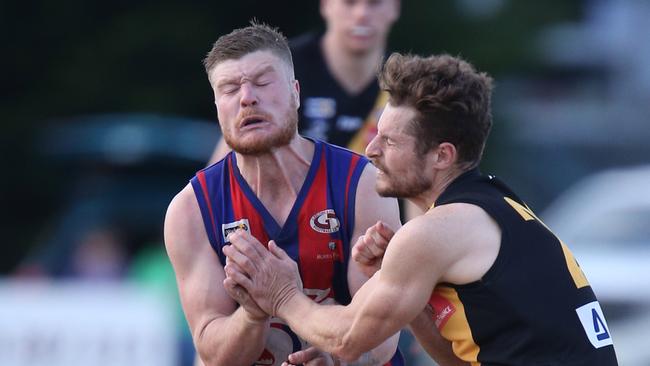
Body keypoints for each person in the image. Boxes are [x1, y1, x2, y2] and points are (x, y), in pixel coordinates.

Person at [222, 53, 619, 365]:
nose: (371, 149)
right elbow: (459, 359)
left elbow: (346, 339)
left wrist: (283, 294)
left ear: (441, 156)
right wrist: (413, 291)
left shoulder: (436, 231)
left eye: (390, 142)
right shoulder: (498, 206)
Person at [164, 23, 424, 366]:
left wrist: (336, 359)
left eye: (262, 82)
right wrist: (254, 312)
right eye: (229, 89)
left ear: (296, 92)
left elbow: (381, 333)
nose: (247, 98)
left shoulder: (361, 183)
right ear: (217, 107)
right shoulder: (191, 209)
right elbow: (213, 354)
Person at [208, 0, 400, 163]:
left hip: (373, 205)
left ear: (395, 7)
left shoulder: (407, 84)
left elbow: (418, 189)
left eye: (375, 3)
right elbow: (220, 178)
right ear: (326, 4)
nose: (361, 14)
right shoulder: (278, 69)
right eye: (349, 2)